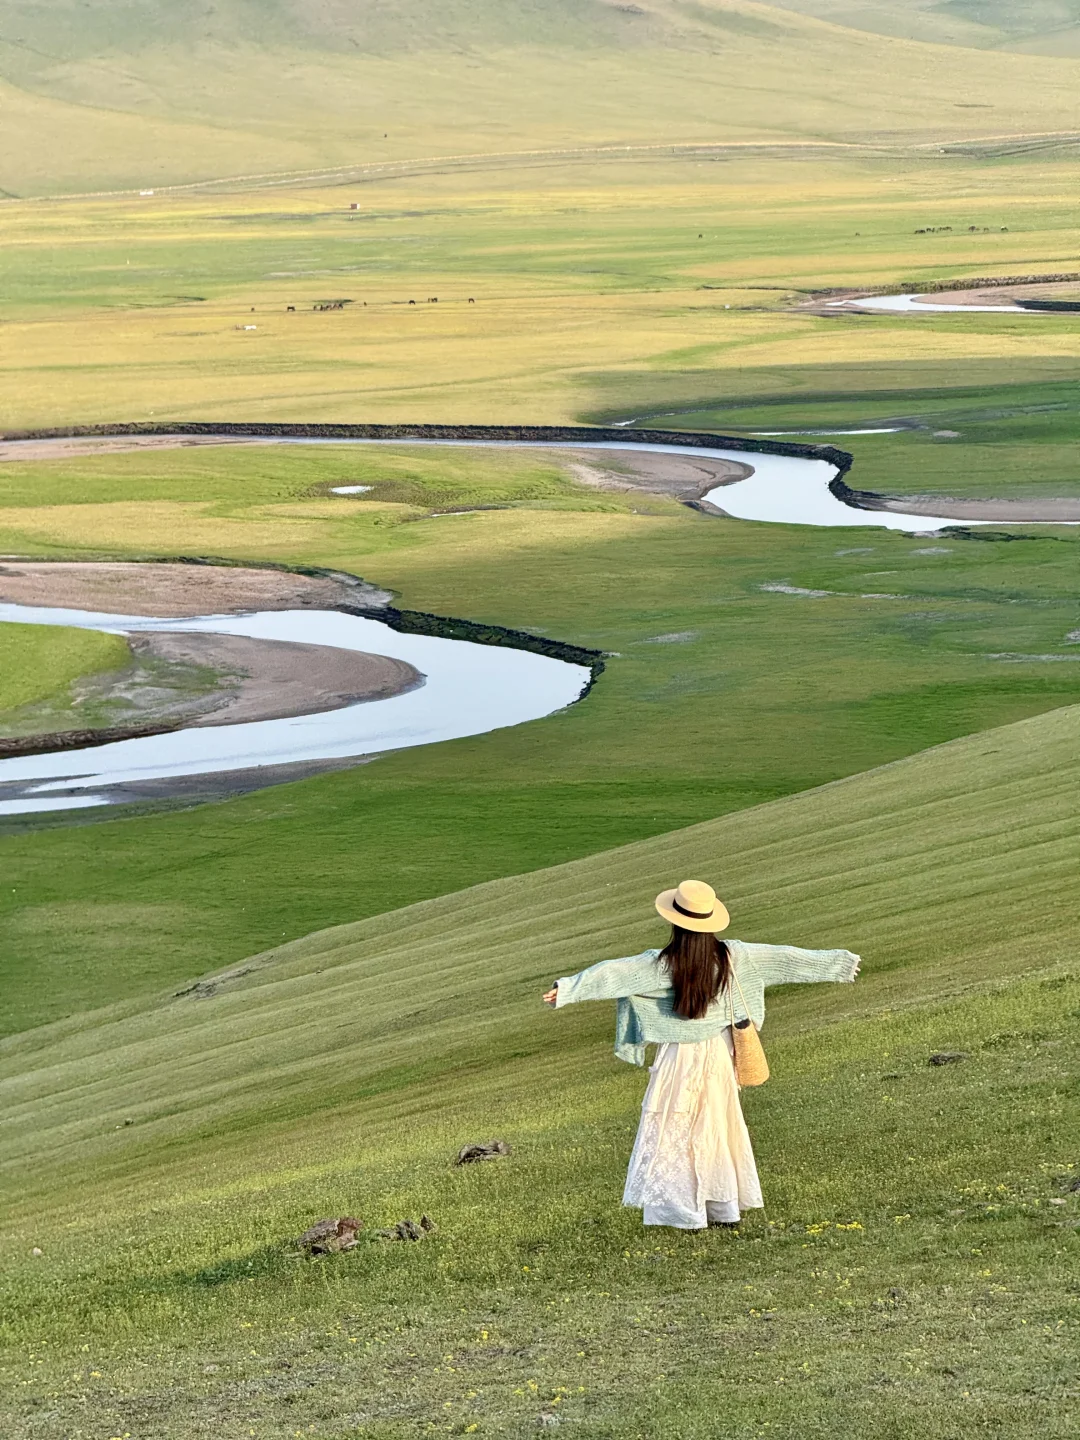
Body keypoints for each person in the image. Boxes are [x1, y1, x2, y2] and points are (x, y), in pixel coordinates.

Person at [543, 879, 860, 1230]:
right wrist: (839, 964)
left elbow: (613, 973)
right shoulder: (736, 956)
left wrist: (568, 988)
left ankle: (681, 1211)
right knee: (718, 1125)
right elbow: (788, 958)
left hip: (677, 1057)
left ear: (675, 923)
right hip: (719, 1054)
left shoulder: (661, 964)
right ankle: (722, 1207)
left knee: (674, 1124)